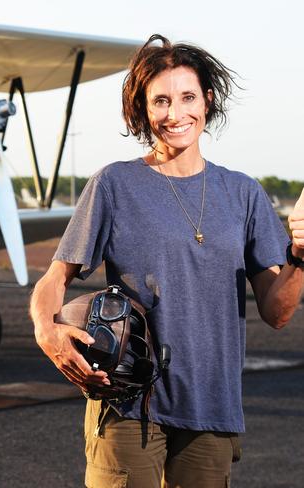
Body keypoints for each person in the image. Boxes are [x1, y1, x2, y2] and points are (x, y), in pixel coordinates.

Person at [30, 33, 304, 488]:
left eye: (187, 98)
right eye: (160, 101)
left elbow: (277, 312)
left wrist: (299, 257)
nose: (175, 114)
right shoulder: (114, 185)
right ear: (143, 109)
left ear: (208, 101)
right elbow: (55, 278)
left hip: (212, 404)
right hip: (128, 402)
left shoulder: (244, 194)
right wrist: (47, 331)